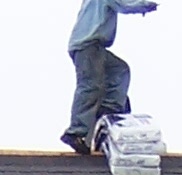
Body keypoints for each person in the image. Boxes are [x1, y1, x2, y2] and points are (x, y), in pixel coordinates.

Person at [63, 0, 158, 153]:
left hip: (94, 46)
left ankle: (108, 111)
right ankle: (77, 132)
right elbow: (126, 4)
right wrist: (146, 5)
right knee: (91, 86)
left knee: (119, 70)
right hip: (88, 45)